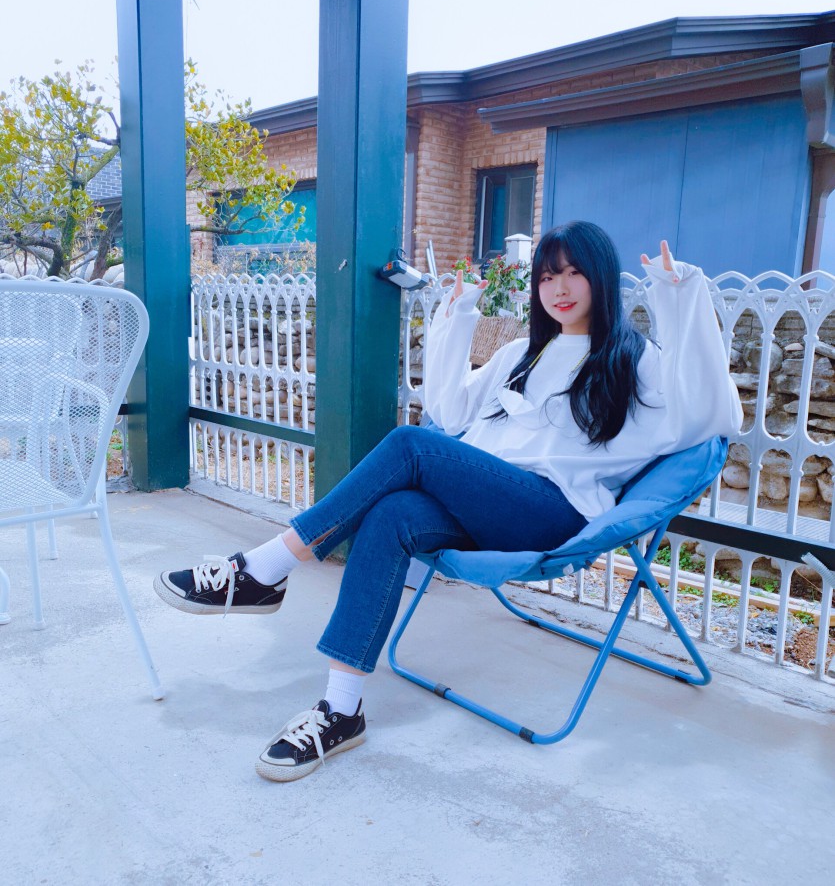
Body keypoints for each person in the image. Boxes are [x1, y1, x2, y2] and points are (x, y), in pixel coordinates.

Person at [154, 221, 742, 783]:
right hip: (483, 506)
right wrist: (459, 318)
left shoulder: (636, 361)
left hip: (552, 514)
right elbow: (451, 410)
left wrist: (679, 299)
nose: (559, 289)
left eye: (574, 273)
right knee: (391, 515)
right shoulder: (522, 355)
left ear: (602, 277)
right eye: (547, 276)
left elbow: (711, 416)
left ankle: (263, 569)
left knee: (411, 444)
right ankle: (341, 709)